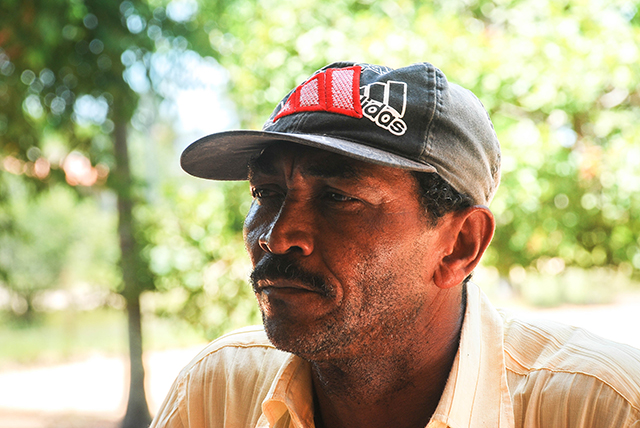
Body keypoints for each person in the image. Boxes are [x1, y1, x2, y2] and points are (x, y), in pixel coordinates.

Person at [150, 62, 640, 428]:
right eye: (267, 193)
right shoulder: (219, 392)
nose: (277, 235)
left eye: (340, 197)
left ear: (459, 247)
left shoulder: (600, 408)